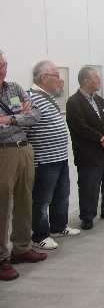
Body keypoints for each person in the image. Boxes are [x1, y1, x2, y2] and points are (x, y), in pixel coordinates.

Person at [0, 50, 47, 281]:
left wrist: (10, 119)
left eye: (2, 65)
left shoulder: (14, 88)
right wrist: (21, 118)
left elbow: (35, 115)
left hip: (24, 149)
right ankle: (1, 257)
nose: (1, 70)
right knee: (2, 205)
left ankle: (21, 247)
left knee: (25, 199)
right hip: (4, 153)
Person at [26, 61, 80, 252]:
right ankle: (40, 235)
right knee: (42, 199)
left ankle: (58, 226)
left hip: (59, 156)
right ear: (43, 78)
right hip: (44, 159)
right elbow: (25, 127)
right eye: (56, 76)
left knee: (61, 195)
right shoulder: (30, 98)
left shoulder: (48, 97)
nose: (60, 80)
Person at [66, 66, 104, 230]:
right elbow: (80, 127)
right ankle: (87, 216)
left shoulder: (100, 100)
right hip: (88, 152)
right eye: (96, 78)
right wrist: (101, 138)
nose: (99, 81)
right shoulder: (74, 102)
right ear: (86, 80)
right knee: (89, 185)